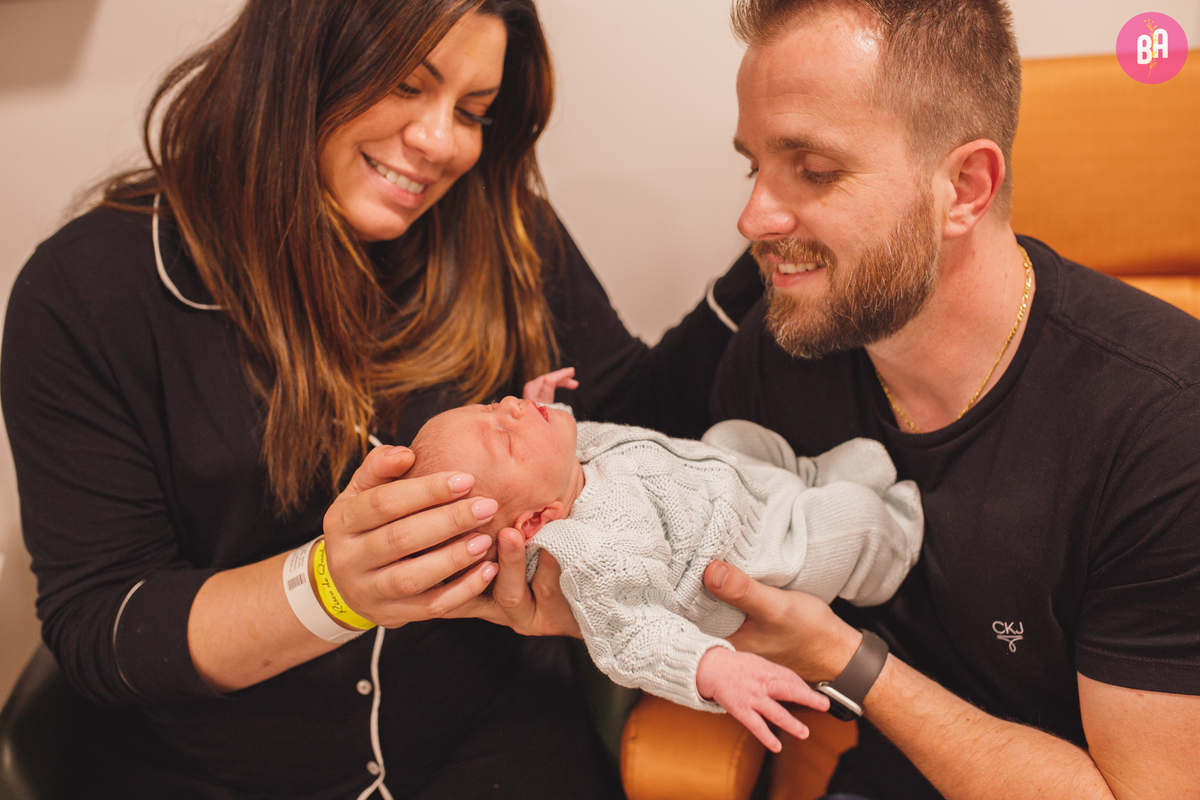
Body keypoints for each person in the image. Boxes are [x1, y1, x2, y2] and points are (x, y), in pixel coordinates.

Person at [0, 1, 763, 797]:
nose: (440, 143)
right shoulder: (89, 292)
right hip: (223, 772)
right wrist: (333, 590)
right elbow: (102, 627)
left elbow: (633, 416)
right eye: (405, 85)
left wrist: (768, 253)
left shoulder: (499, 224)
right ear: (296, 62)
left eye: (473, 112)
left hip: (494, 736)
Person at [683, 0, 1200, 798]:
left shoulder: (1166, 425)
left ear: (965, 185)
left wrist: (841, 659)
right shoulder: (779, 348)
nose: (753, 217)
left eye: (814, 170)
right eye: (756, 165)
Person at [405, 373, 922, 752]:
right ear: (537, 523)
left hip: (741, 488)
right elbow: (632, 637)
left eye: (493, 405)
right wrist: (712, 668)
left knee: (733, 434)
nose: (512, 407)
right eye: (506, 437)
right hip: (770, 555)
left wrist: (539, 414)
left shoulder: (566, 466)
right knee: (854, 521)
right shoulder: (591, 553)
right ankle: (897, 538)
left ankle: (809, 478)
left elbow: (555, 442)